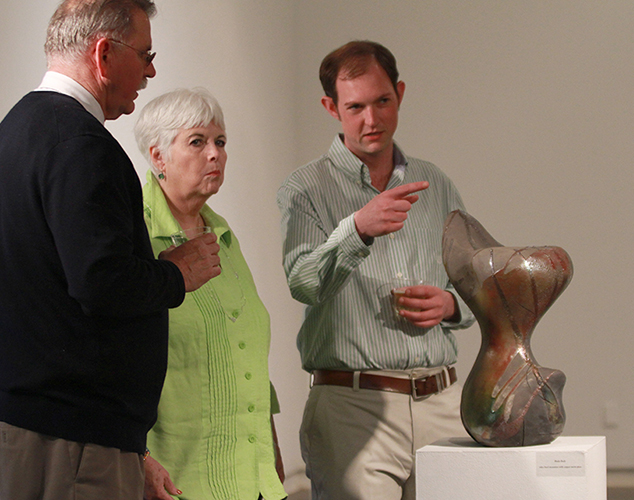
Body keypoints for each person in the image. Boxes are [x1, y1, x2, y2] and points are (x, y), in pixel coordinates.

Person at [0, 2, 220, 500]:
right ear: (103, 54)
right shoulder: (81, 142)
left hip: (36, 427)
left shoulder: (14, 130)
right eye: (145, 53)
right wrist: (174, 274)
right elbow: (101, 282)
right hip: (72, 442)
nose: (151, 70)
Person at [277, 40, 475, 500]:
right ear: (331, 107)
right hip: (352, 406)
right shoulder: (305, 188)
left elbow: (477, 282)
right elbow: (303, 283)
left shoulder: (436, 182)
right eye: (356, 106)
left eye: (382, 101)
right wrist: (358, 230)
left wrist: (449, 305)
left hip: (442, 400)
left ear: (400, 94)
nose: (372, 119)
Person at [134, 88, 287, 500]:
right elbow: (110, 362)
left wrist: (270, 453)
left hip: (252, 481)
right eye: (197, 142)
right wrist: (138, 456)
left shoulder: (222, 237)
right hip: (177, 482)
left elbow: (246, 355)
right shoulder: (134, 238)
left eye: (220, 142)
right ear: (158, 156)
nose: (215, 154)